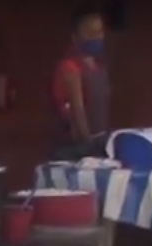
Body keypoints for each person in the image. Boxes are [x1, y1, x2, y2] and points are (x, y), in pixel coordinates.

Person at [51, 5, 110, 161]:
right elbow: (78, 110)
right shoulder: (70, 68)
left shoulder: (99, 68)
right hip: (75, 148)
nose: (97, 38)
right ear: (75, 37)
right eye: (91, 33)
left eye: (100, 32)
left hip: (99, 142)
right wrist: (90, 148)